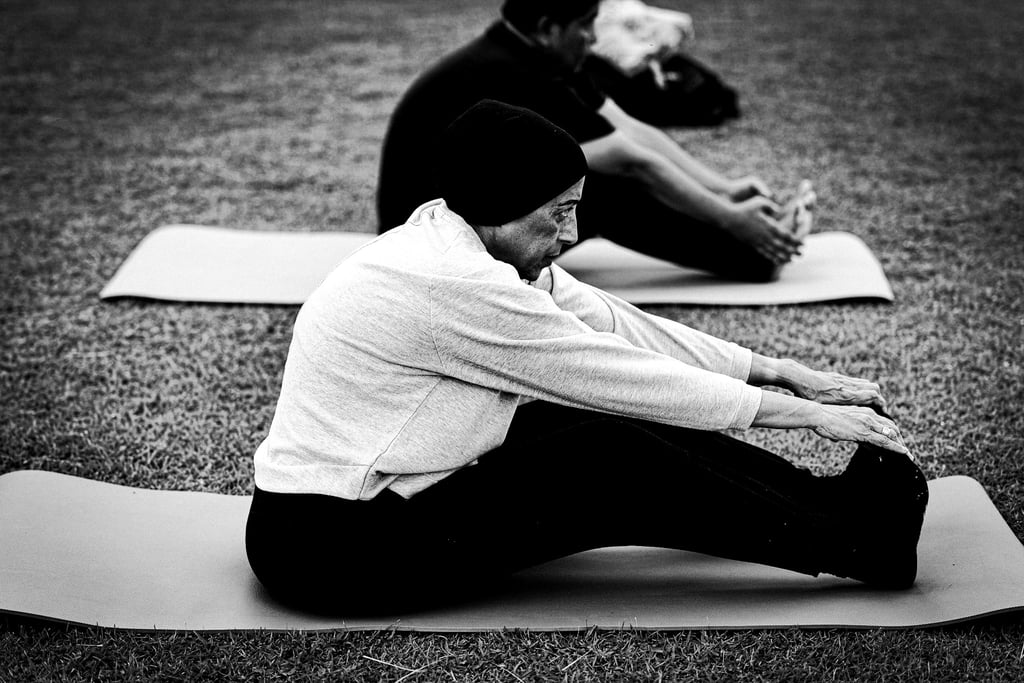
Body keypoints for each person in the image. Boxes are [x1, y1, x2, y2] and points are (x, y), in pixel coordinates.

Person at [248, 101, 927, 615]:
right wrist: (802, 415)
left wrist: (781, 372)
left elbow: (616, 325)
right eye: (558, 214)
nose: (569, 235)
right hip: (331, 547)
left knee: (600, 427)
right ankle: (859, 546)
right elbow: (615, 376)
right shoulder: (457, 284)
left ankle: (832, 505)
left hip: (378, 497)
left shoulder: (466, 235)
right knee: (611, 455)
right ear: (500, 207)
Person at [376, 0, 815, 283]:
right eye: (586, 25)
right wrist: (732, 219)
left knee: (596, 180)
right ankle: (755, 252)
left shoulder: (534, 51)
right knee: (602, 191)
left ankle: (758, 237)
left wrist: (725, 188)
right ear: (550, 26)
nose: (592, 37)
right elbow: (630, 161)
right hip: (422, 237)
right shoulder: (513, 70)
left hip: (463, 210)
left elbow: (630, 128)